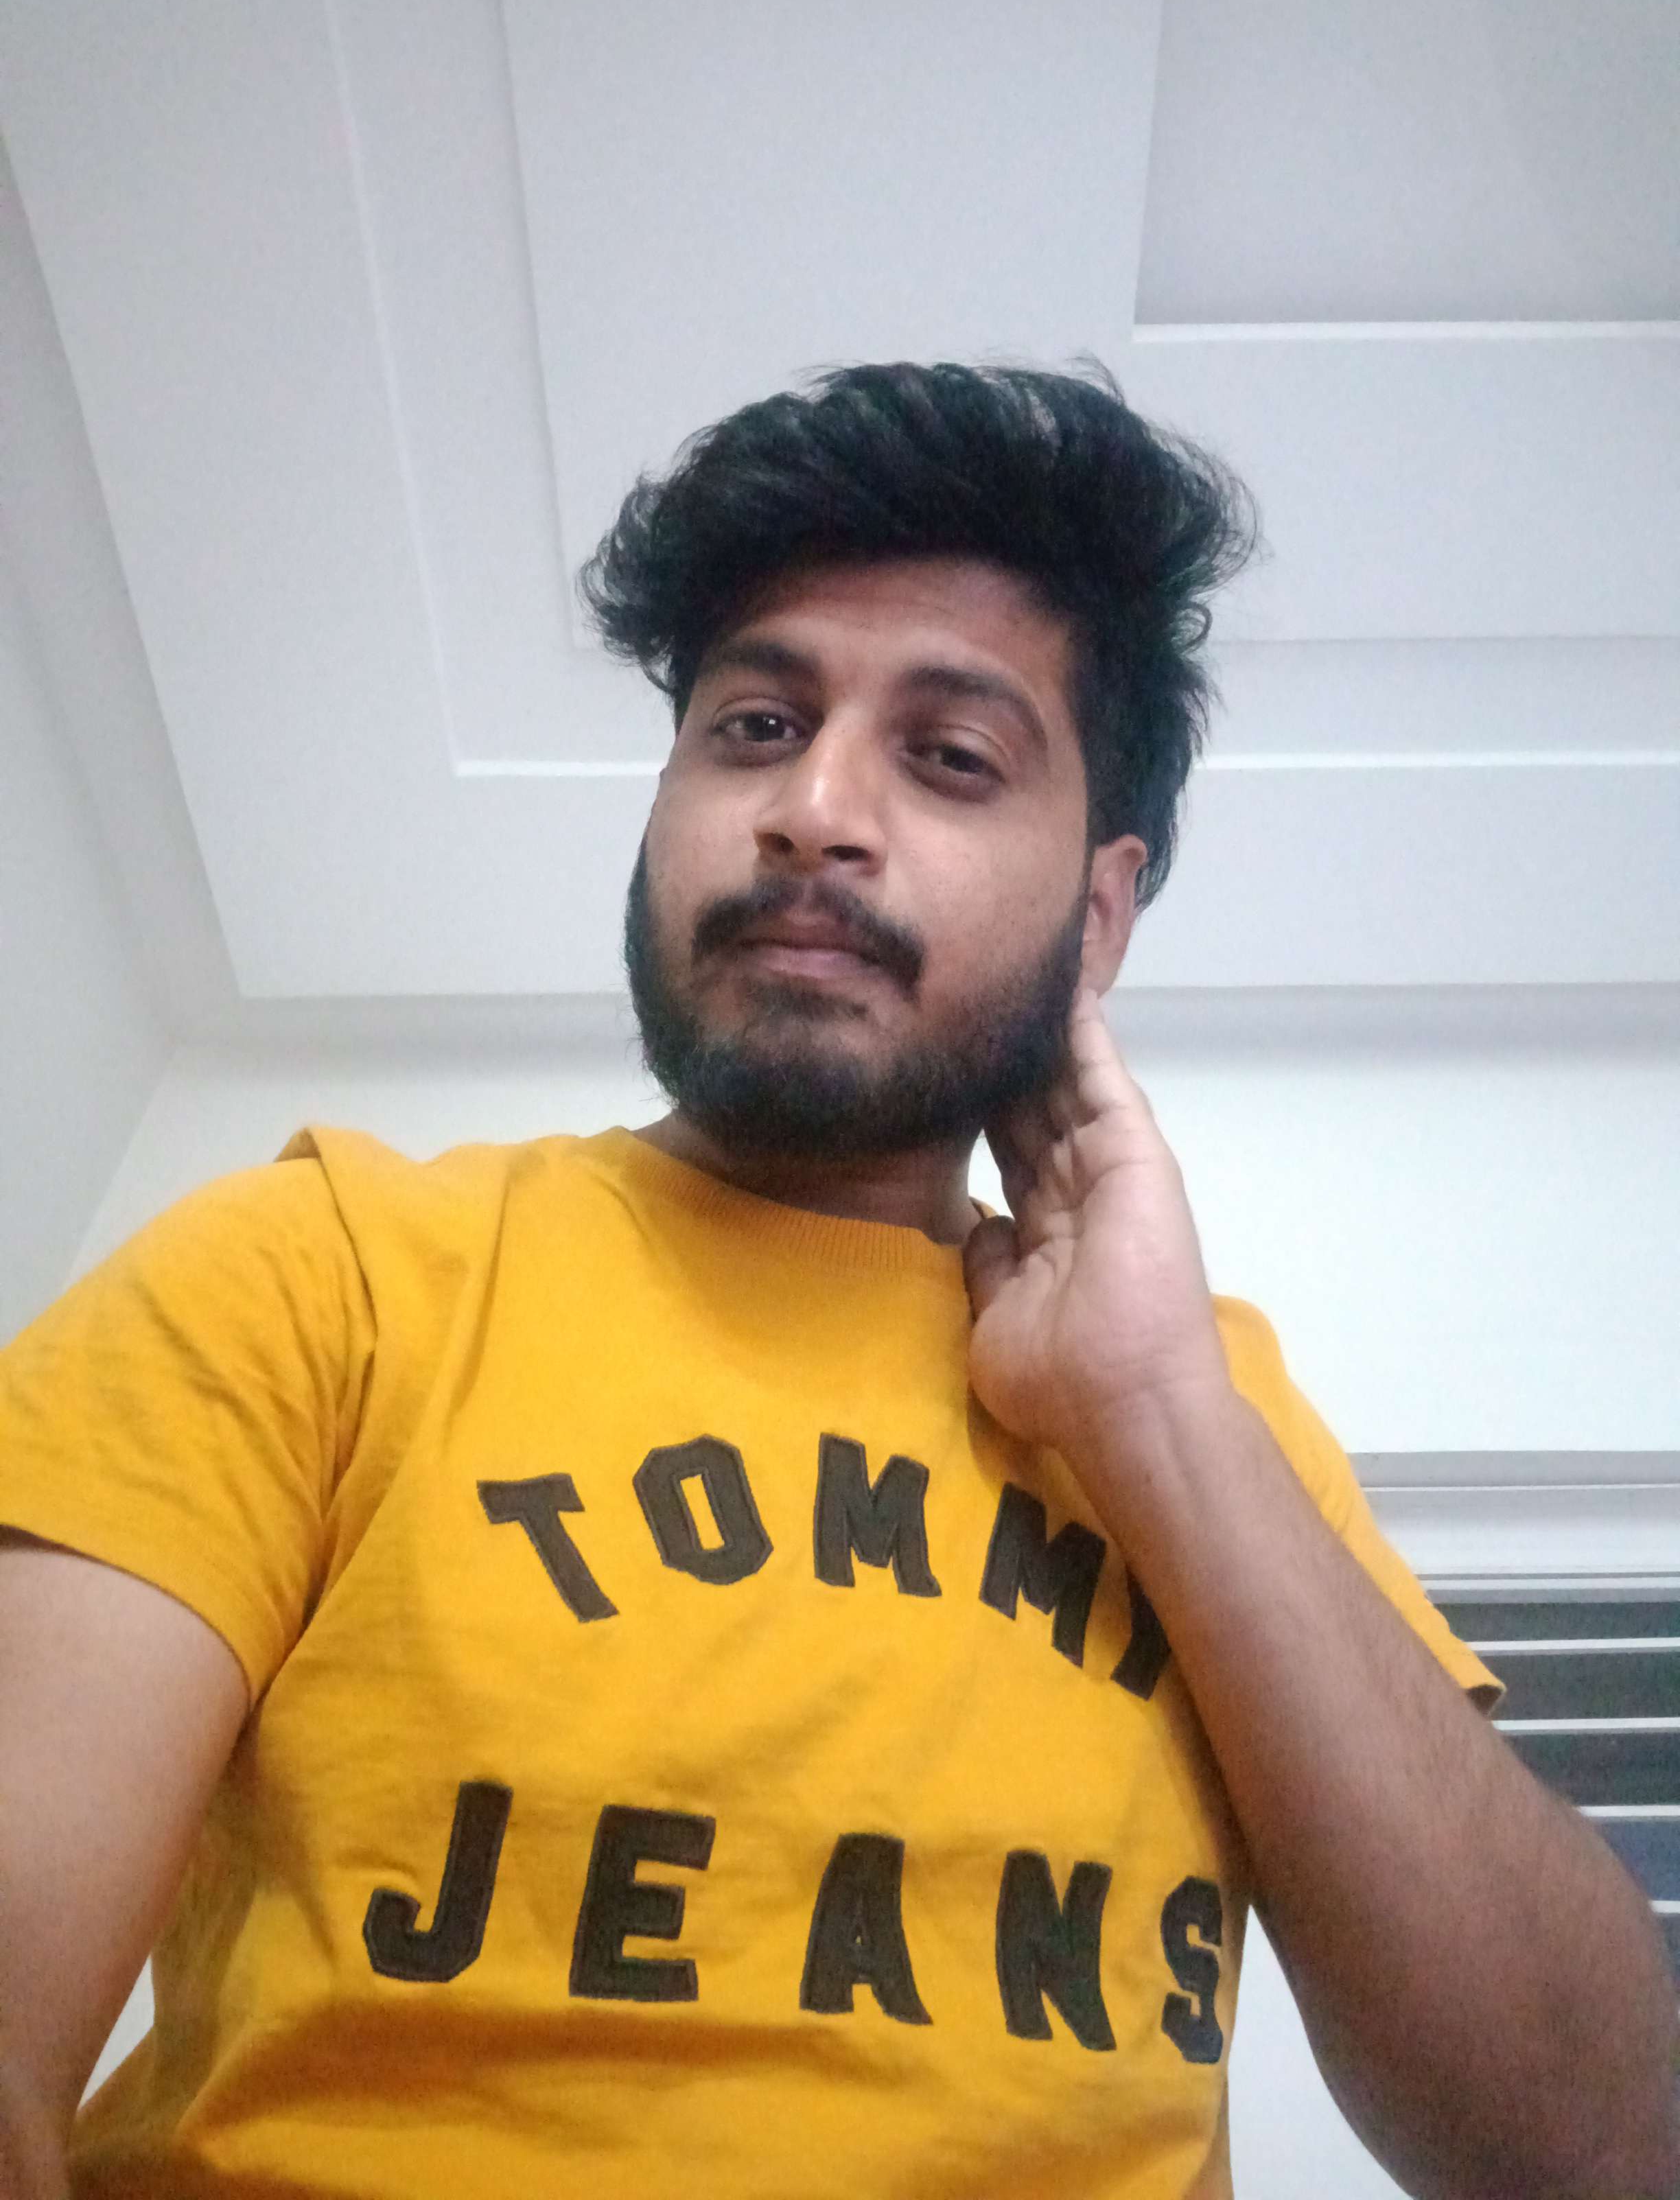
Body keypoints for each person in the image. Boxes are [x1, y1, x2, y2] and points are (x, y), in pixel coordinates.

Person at [0, 361, 1674, 2200]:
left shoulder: (1218, 1409)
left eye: (950, 758)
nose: (810, 808)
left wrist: (1158, 1418)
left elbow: (1600, 2150)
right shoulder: (322, 1266)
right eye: (752, 726)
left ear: (1096, 918)